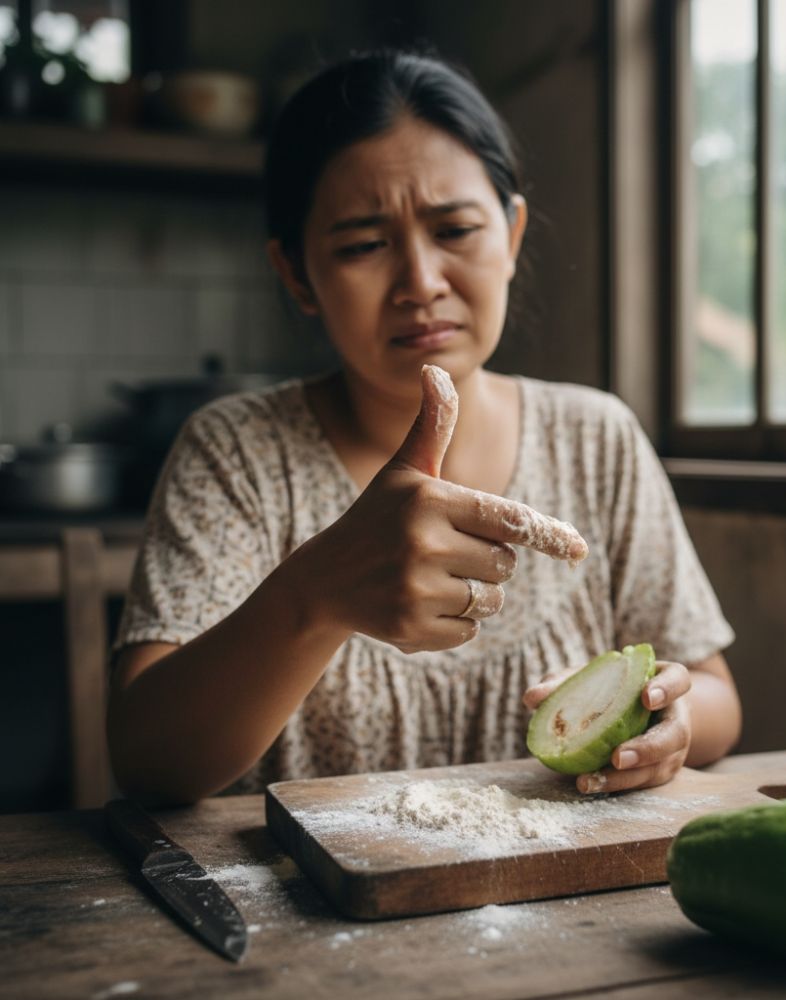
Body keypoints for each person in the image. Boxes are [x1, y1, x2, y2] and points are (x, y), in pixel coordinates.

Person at [107, 49, 741, 805]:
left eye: (455, 230)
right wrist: (314, 596)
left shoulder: (596, 438)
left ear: (510, 236)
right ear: (296, 275)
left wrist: (667, 724)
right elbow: (146, 760)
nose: (420, 282)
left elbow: (714, 696)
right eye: (363, 245)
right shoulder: (235, 452)